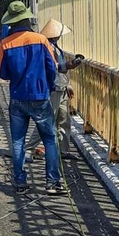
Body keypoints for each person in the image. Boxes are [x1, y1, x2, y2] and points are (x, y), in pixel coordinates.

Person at [0, 1, 64, 196]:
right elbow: (53, 68)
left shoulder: (5, 43)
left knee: (18, 142)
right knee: (50, 139)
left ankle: (20, 183)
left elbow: (1, 72)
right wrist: (48, 86)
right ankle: (52, 183)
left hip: (17, 97)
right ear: (27, 18)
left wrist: (17, 76)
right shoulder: (41, 40)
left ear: (11, 22)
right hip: (40, 96)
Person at [33, 19, 81, 160]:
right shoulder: (47, 48)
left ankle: (63, 149)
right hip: (53, 88)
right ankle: (31, 147)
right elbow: (54, 67)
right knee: (48, 119)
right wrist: (68, 65)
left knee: (64, 119)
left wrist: (68, 84)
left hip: (61, 87)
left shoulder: (56, 47)